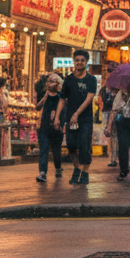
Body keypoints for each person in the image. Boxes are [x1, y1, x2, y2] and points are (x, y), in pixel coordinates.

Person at [60, 50, 98, 185]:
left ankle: (85, 172)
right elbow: (62, 99)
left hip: (85, 119)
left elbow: (89, 97)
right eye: (77, 60)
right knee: (70, 145)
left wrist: (77, 114)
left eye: (82, 60)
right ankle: (76, 169)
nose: (79, 62)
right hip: (70, 119)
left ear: (86, 62)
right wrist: (59, 116)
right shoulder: (68, 80)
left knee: (84, 146)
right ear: (74, 61)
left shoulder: (91, 80)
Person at [35, 73, 64, 182]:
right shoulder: (43, 93)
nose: (50, 83)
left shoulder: (61, 95)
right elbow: (37, 107)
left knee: (56, 150)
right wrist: (45, 96)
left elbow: (64, 109)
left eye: (52, 81)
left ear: (57, 83)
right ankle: (42, 172)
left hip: (56, 126)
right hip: (44, 126)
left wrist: (61, 123)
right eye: (49, 81)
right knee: (44, 148)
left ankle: (58, 168)